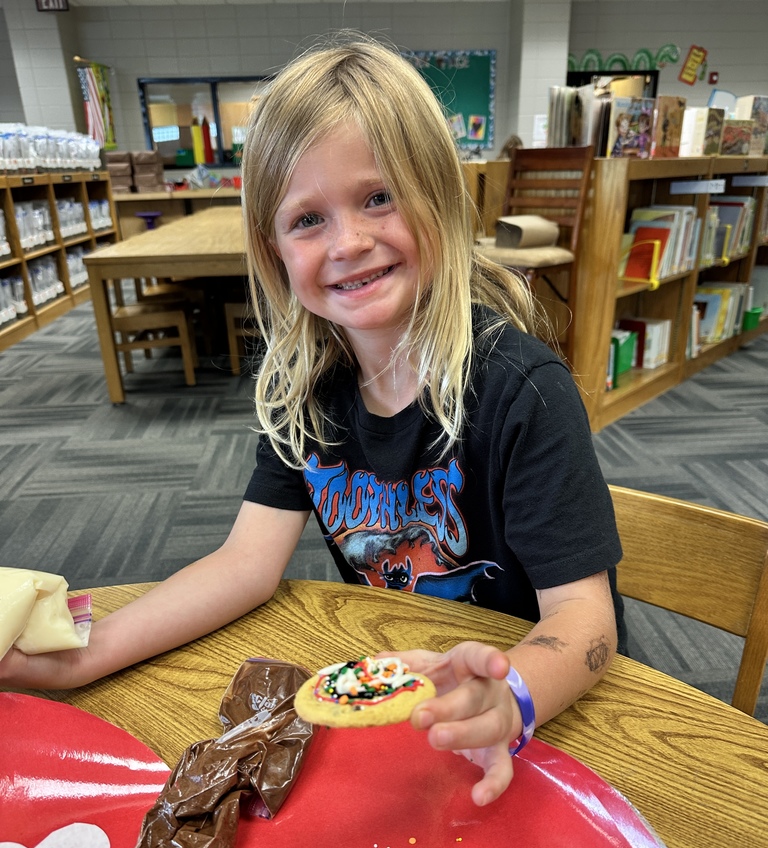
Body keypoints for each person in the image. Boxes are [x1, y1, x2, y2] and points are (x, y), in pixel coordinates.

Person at [1, 35, 625, 807]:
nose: (350, 242)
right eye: (307, 219)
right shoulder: (306, 390)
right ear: (273, 250)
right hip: (396, 698)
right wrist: (87, 655)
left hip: (532, 716)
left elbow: (584, 616)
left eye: (379, 197)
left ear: (438, 195)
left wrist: (512, 696)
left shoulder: (522, 391)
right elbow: (245, 564)